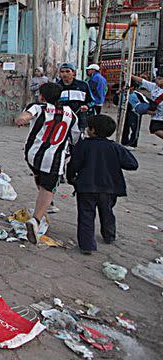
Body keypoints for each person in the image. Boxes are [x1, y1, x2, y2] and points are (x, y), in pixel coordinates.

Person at [15, 82, 81, 244]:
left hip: (33, 155)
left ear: (42, 96)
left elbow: (26, 116)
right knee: (48, 187)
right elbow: (75, 138)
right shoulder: (71, 114)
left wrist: (21, 119)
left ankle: (45, 205)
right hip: (55, 159)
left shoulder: (38, 107)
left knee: (41, 179)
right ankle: (36, 220)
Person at [67, 114, 138, 254]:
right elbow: (132, 164)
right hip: (109, 188)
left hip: (86, 187)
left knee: (86, 214)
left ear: (92, 130)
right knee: (107, 212)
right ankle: (109, 235)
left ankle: (86, 245)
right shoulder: (115, 147)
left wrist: (71, 179)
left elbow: (73, 165)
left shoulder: (83, 145)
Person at [130, 73, 163, 154]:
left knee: (156, 129)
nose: (157, 80)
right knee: (154, 129)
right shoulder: (154, 86)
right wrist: (130, 75)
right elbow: (142, 81)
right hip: (157, 114)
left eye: (159, 78)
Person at [56, 62, 93, 132]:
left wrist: (87, 106)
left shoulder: (83, 85)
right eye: (62, 72)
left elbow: (92, 101)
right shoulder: (56, 87)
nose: (64, 74)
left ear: (74, 73)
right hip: (62, 120)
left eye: (67, 71)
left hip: (80, 120)